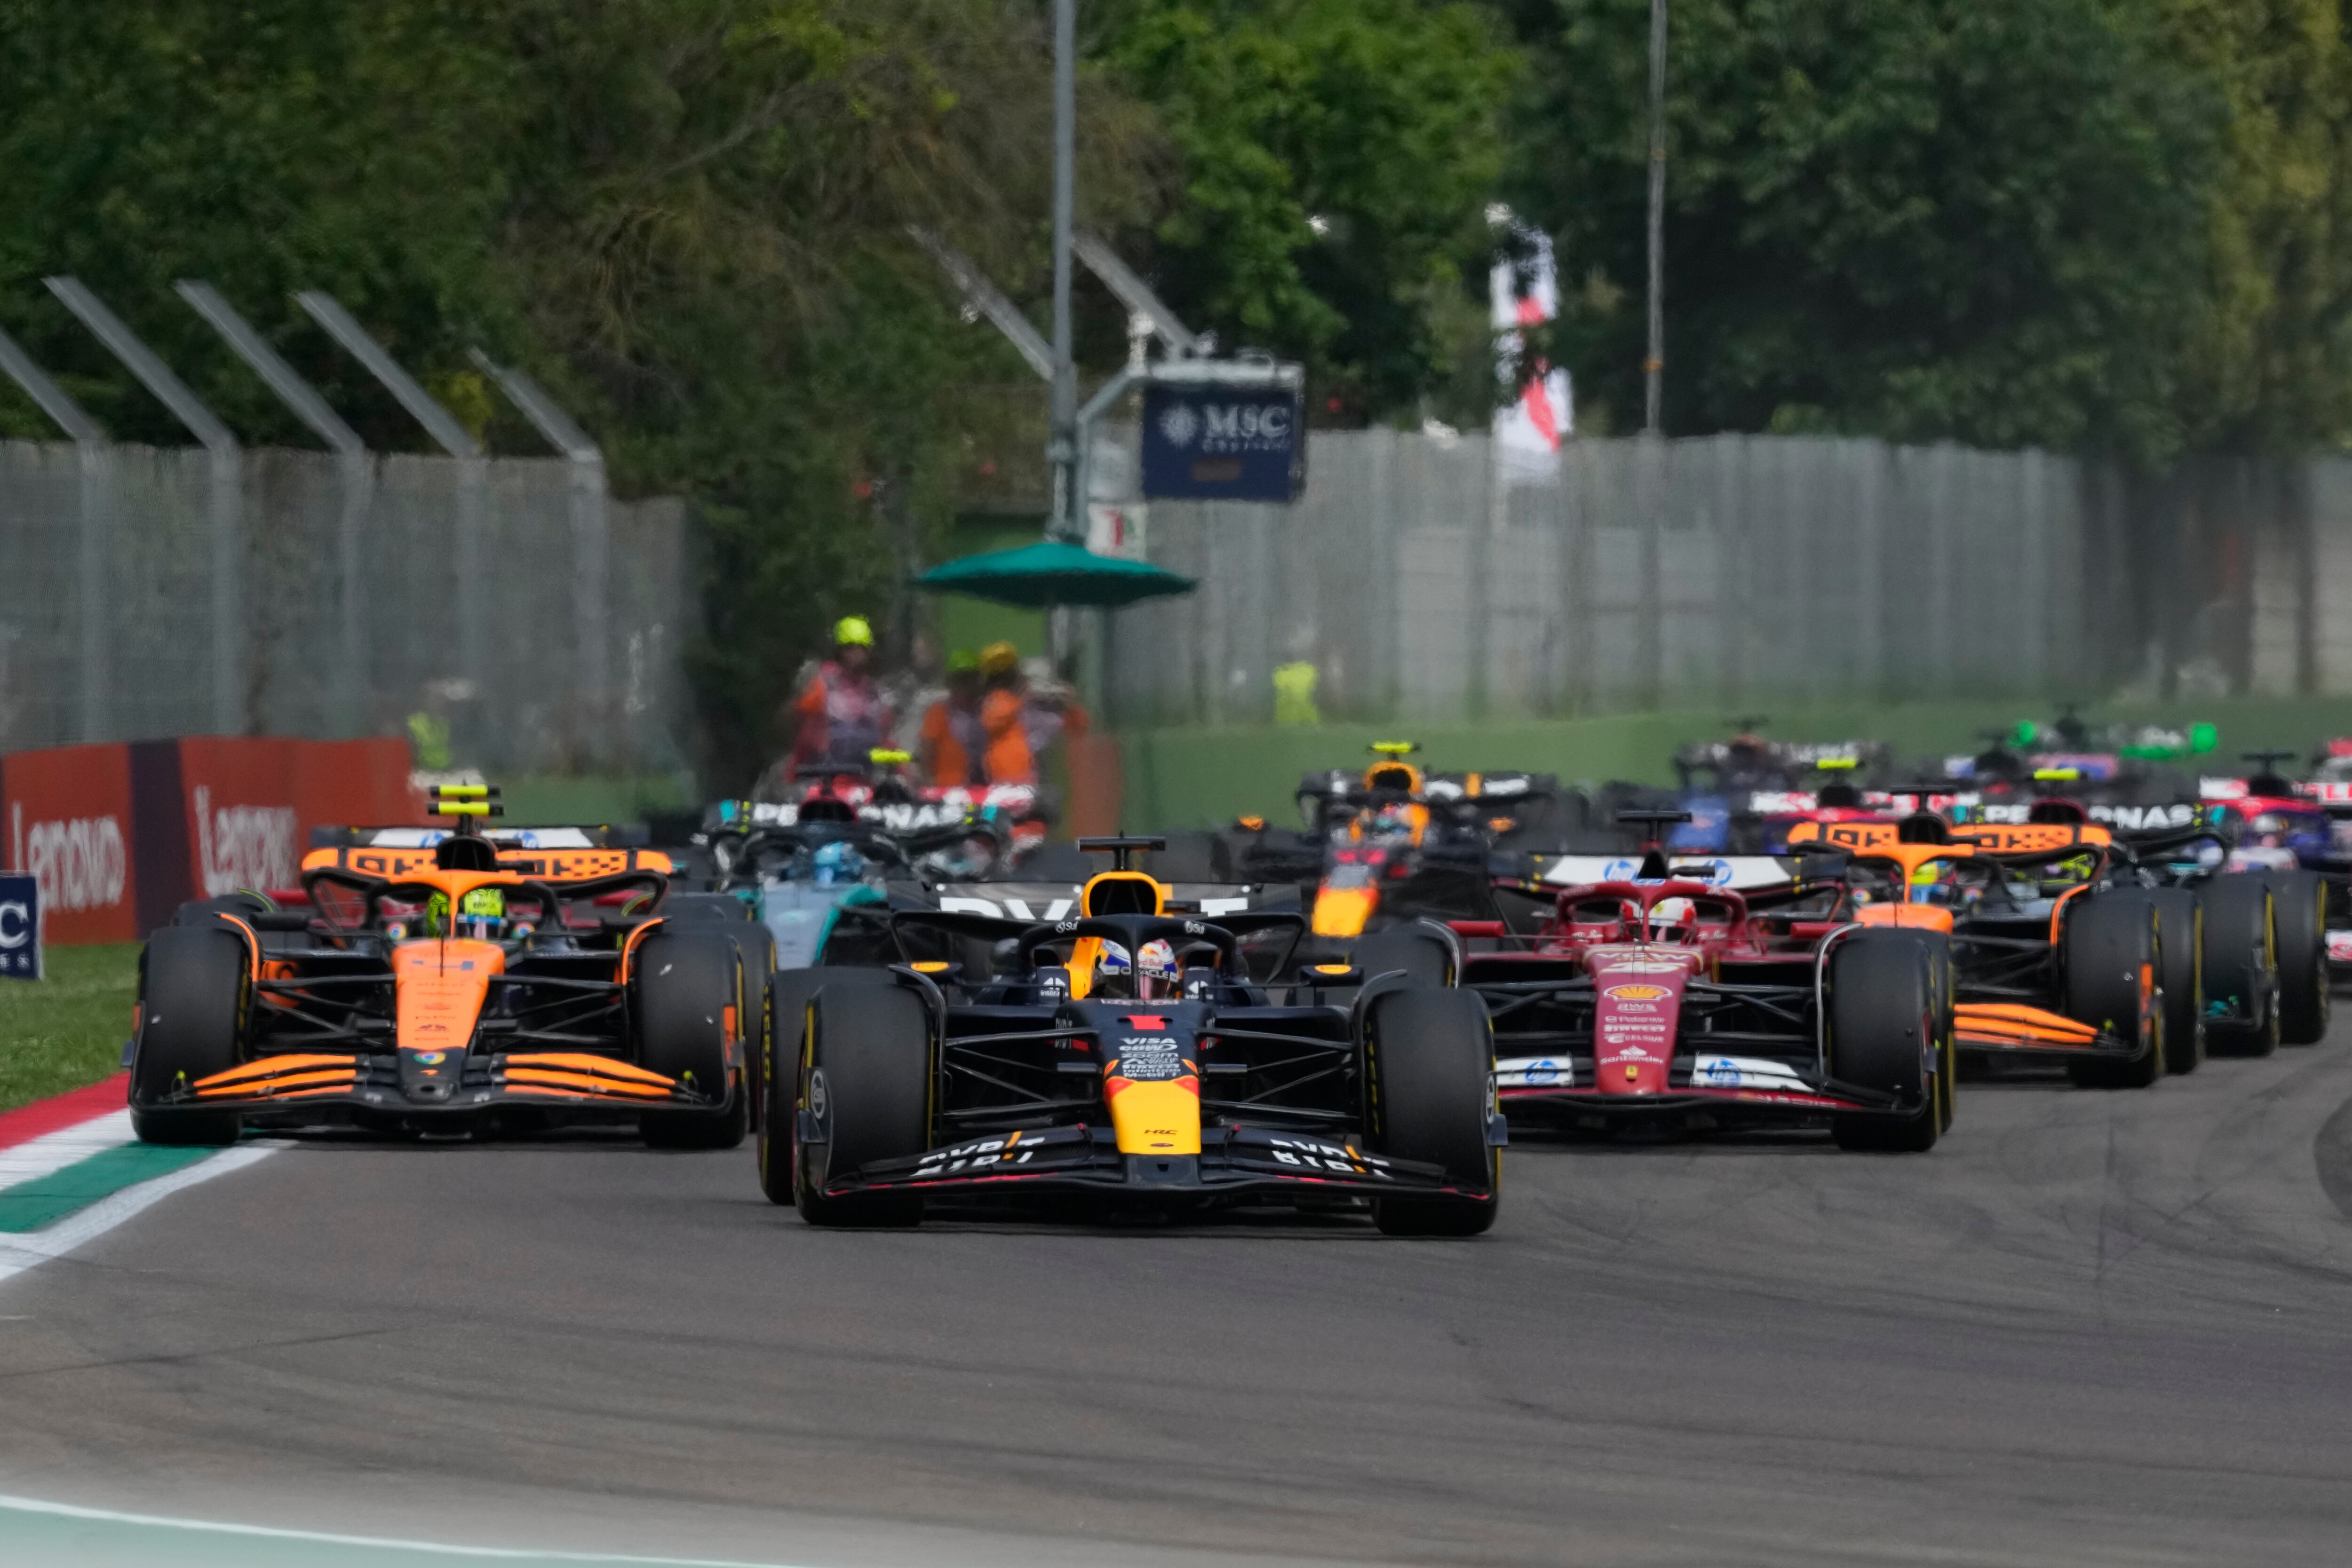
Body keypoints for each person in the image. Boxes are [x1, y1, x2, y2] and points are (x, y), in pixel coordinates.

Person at [788, 617, 893, 768]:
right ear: (839, 651)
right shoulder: (821, 683)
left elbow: (885, 736)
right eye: (850, 648)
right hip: (824, 769)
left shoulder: (875, 692)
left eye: (862, 648)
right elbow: (799, 722)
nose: (857, 654)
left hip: (864, 771)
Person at [919, 652, 985, 787]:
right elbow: (927, 750)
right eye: (960, 680)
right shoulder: (939, 712)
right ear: (951, 683)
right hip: (947, 787)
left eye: (970, 679)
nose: (966, 687)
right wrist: (929, 783)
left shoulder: (988, 713)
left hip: (982, 788)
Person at [978, 641, 1035, 785]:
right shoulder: (1000, 700)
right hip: (1009, 771)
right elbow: (991, 720)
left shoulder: (1009, 700)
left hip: (1018, 768)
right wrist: (1021, 700)